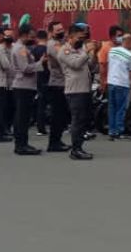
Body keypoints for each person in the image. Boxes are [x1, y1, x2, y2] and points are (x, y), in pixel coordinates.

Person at [58, 22, 98, 160]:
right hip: (74, 90)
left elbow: (91, 66)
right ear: (71, 36)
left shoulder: (81, 49)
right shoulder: (65, 50)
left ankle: (80, 147)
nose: (81, 40)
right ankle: (75, 150)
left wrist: (94, 52)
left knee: (83, 120)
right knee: (77, 120)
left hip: (85, 89)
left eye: (83, 38)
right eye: (79, 38)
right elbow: (75, 64)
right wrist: (87, 51)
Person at [9, 24, 42, 156]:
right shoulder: (20, 49)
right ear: (24, 35)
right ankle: (21, 145)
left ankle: (23, 143)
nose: (32, 38)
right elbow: (25, 68)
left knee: (23, 116)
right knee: (22, 117)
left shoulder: (21, 48)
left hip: (24, 85)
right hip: (23, 85)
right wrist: (40, 64)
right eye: (31, 36)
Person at [45, 21, 71, 153]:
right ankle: (54, 143)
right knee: (57, 115)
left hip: (64, 83)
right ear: (51, 32)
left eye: (62, 29)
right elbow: (63, 58)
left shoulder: (62, 43)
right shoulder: (52, 45)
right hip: (57, 83)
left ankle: (58, 140)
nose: (61, 31)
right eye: (57, 30)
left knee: (62, 115)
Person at [106, 32, 131, 140]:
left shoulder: (112, 51)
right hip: (122, 84)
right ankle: (119, 131)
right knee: (121, 109)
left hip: (111, 83)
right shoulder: (130, 55)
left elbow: (108, 64)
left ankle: (111, 131)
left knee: (112, 108)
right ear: (128, 42)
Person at [32, 30, 50, 135]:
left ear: (37, 38)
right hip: (50, 78)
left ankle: (40, 128)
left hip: (39, 78)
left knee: (41, 104)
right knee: (55, 103)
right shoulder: (48, 49)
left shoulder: (34, 50)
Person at [98, 25, 122, 91]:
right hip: (110, 84)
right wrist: (102, 83)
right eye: (119, 36)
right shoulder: (105, 48)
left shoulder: (122, 48)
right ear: (112, 37)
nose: (121, 38)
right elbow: (102, 67)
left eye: (121, 36)